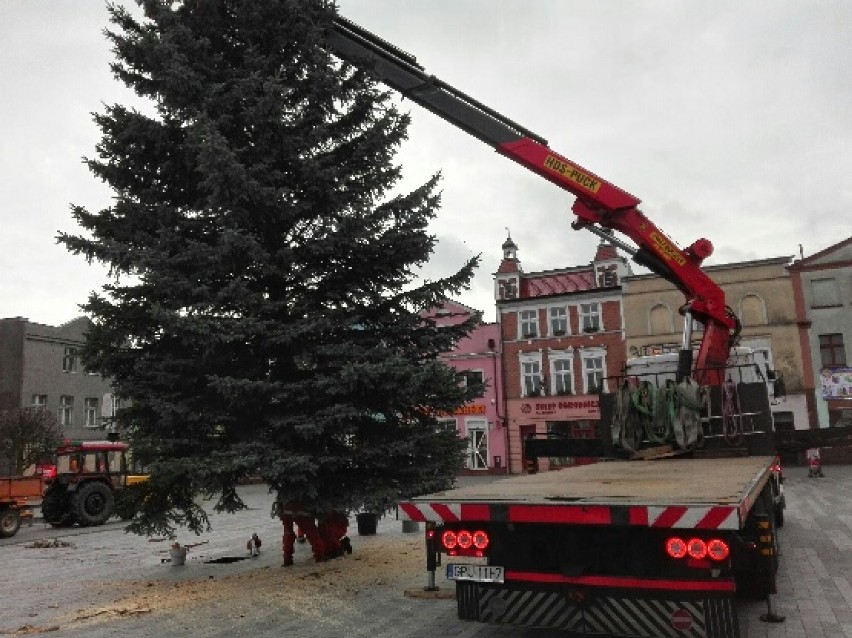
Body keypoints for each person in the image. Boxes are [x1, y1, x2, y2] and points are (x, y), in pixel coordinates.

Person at [277, 499, 325, 566]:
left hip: (286, 506)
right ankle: (320, 556)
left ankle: (287, 559)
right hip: (303, 507)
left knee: (288, 532)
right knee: (311, 532)